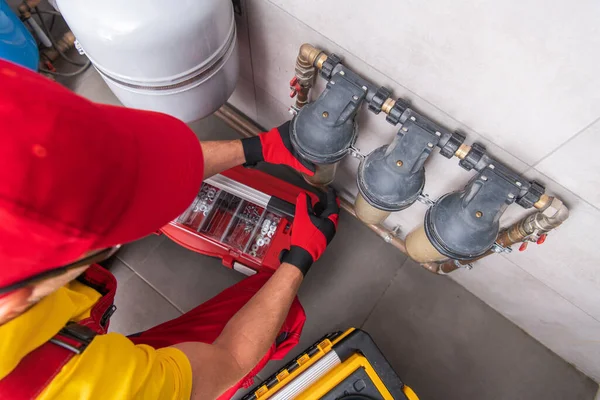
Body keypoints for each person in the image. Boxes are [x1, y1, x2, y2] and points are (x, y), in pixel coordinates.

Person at [0, 58, 340, 399]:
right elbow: (231, 358)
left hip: (49, 331)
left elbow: (128, 172)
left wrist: (259, 147)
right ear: (14, 302)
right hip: (74, 370)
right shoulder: (77, 388)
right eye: (105, 240)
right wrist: (297, 261)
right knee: (271, 321)